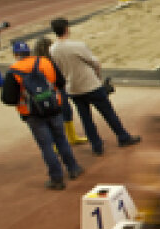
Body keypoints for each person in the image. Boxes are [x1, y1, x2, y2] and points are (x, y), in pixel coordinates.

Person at [49, 18, 140, 155]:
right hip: (90, 85)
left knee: (86, 118)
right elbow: (95, 63)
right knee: (108, 113)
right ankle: (122, 137)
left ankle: (96, 146)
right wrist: (98, 77)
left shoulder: (53, 49)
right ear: (67, 29)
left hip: (72, 88)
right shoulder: (77, 46)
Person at [0, 40, 83, 190]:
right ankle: (73, 168)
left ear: (15, 54)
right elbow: (61, 82)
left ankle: (57, 179)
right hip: (54, 108)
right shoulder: (44, 62)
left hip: (33, 114)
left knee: (46, 147)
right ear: (29, 52)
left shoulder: (13, 72)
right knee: (61, 140)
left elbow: (8, 99)